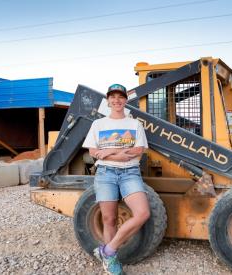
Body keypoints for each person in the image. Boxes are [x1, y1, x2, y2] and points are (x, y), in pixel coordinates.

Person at [82, 84, 150, 275]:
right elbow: (93, 152)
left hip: (130, 173)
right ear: (108, 101)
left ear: (125, 101)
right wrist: (114, 156)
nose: (117, 100)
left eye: (120, 97)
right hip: (105, 174)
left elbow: (138, 150)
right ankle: (111, 262)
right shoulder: (99, 124)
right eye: (113, 97)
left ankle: (108, 250)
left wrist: (109, 151)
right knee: (109, 219)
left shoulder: (134, 124)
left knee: (142, 213)